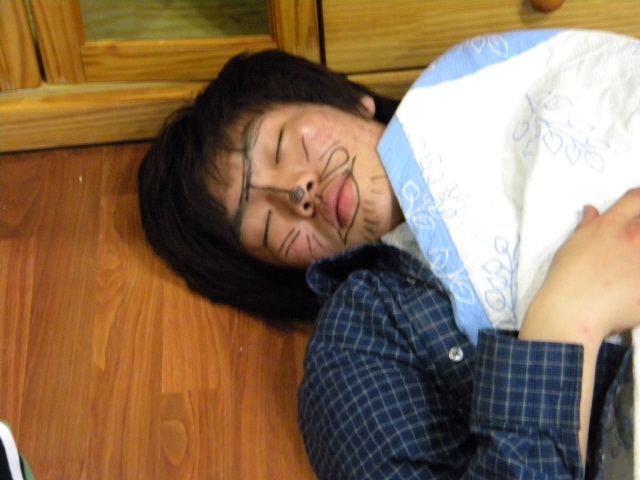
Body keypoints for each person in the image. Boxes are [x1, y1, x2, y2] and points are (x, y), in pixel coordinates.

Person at [138, 33, 640, 478]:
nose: (296, 193)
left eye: (280, 146)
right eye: (267, 226)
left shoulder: (484, 86)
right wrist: (567, 323)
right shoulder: (356, 350)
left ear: (351, 102)